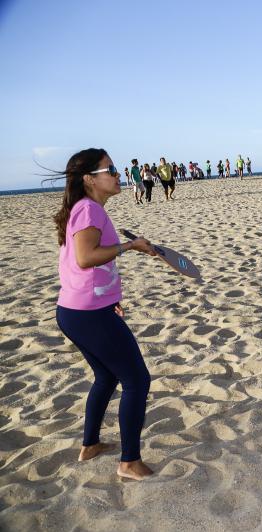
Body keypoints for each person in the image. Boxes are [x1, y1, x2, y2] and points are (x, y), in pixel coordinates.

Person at [51, 148, 158, 481]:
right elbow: (85, 258)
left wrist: (110, 298)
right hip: (87, 313)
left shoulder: (84, 208)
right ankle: (129, 462)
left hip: (75, 310)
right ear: (89, 179)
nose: (117, 174)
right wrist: (130, 246)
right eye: (110, 169)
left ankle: (90, 445)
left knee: (107, 377)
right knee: (137, 380)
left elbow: (79, 267)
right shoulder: (88, 209)